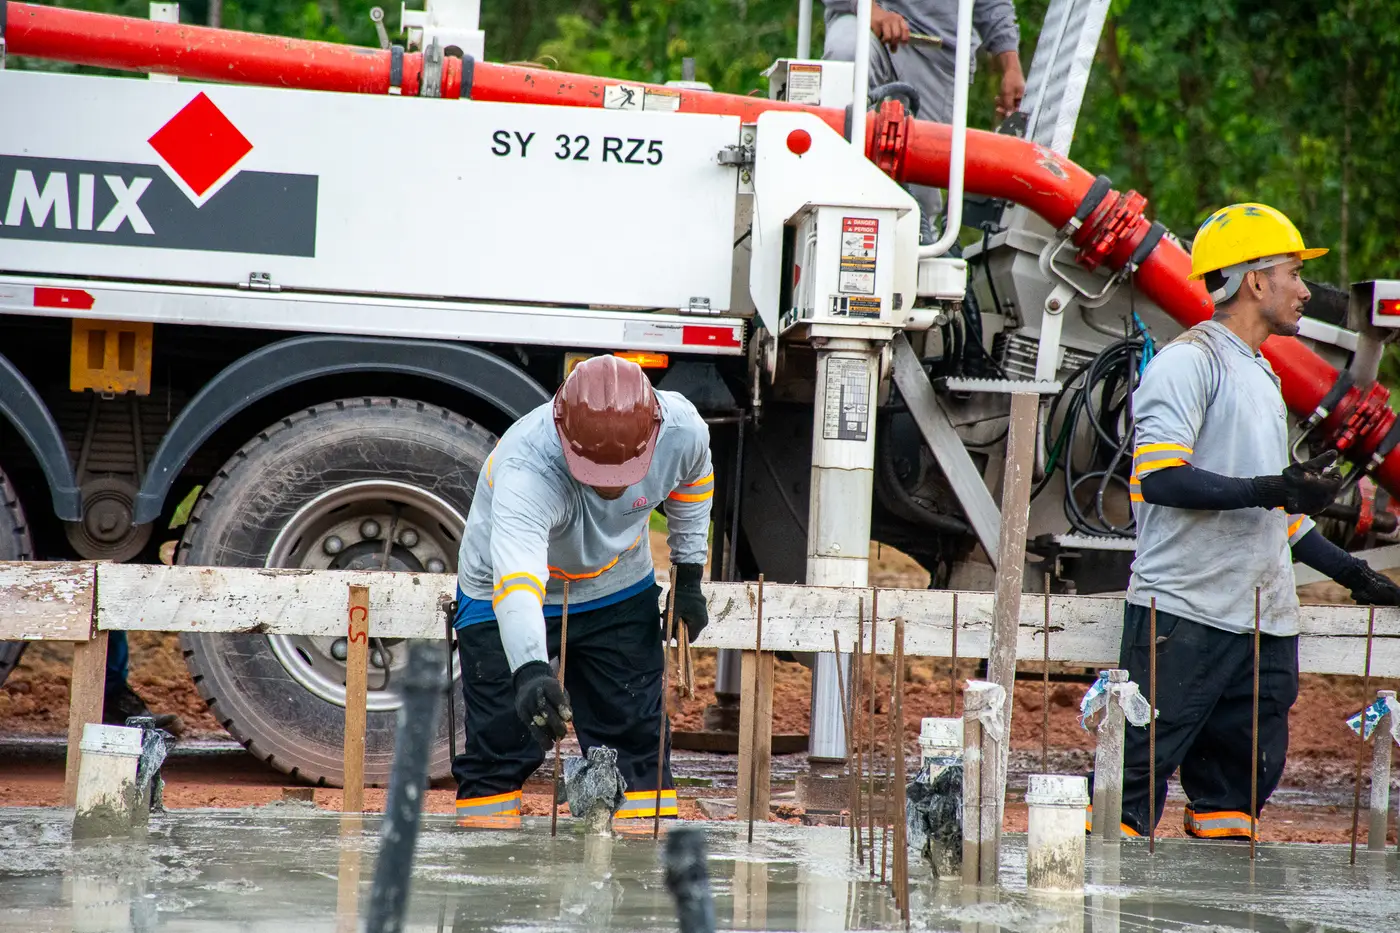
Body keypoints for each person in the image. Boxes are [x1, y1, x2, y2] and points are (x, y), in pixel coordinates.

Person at [1120, 202, 1400, 840]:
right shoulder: (1189, 362)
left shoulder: (1262, 374)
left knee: (1234, 806)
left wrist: (1354, 574)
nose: (1304, 290)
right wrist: (1272, 486)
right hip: (1185, 617)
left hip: (1263, 629)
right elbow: (1160, 478)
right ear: (1254, 281)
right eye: (1293, 273)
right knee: (1126, 799)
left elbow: (1277, 518)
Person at [450, 355, 713, 827]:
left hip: (616, 581)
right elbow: (518, 584)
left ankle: (639, 864)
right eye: (596, 471)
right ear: (564, 435)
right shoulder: (527, 466)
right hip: (501, 589)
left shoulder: (683, 430)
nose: (611, 487)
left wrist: (689, 572)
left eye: (624, 470)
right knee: (501, 741)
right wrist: (530, 670)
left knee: (634, 738)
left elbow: (694, 480)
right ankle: (486, 854)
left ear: (653, 434)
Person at [822, 0, 1023, 242]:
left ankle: (919, 249)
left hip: (936, 52)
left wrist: (1011, 66)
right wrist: (870, 10)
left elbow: (992, 4)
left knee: (919, 201)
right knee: (846, 51)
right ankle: (829, 228)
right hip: (861, 21)